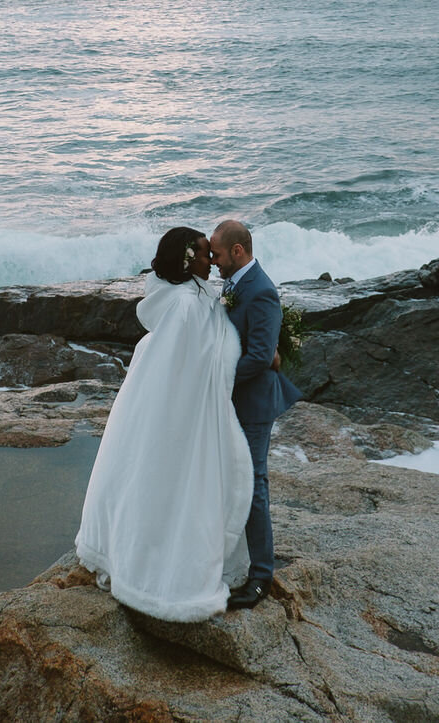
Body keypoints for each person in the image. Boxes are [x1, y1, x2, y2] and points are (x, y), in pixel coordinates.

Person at [74, 226, 253, 621]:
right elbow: (187, 363)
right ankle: (159, 575)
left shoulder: (186, 297)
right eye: (207, 254)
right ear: (188, 262)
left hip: (165, 400)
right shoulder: (186, 304)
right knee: (172, 486)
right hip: (179, 408)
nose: (213, 261)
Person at [211, 219, 302, 610]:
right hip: (236, 401)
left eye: (216, 253)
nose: (212, 261)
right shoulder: (233, 284)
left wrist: (217, 381)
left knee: (254, 485)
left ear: (237, 251)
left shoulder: (261, 290)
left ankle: (262, 576)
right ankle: (236, 557)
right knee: (233, 479)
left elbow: (261, 357)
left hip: (252, 403)